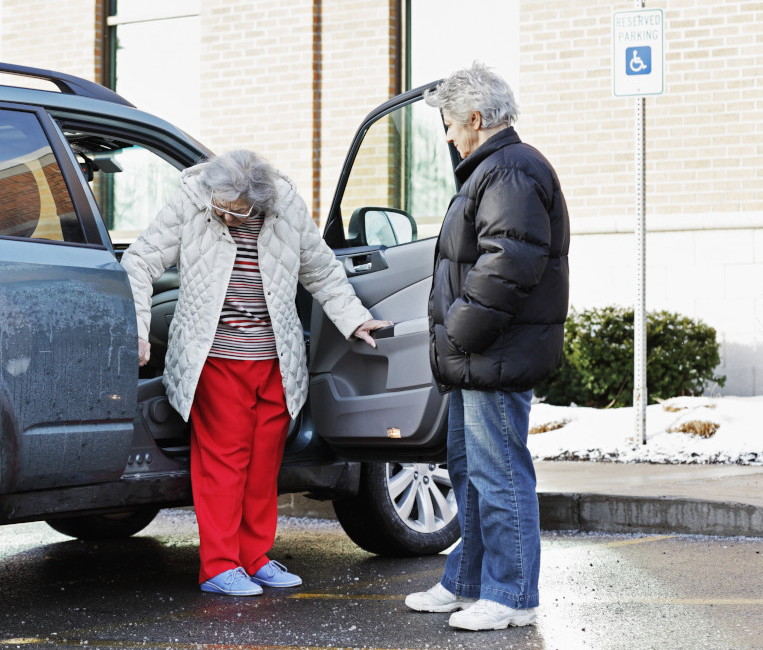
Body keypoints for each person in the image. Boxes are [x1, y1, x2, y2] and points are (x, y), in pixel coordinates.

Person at [122, 149, 390, 596]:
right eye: (220, 208)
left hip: (275, 358)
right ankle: (219, 566)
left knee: (264, 464)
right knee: (224, 463)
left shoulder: (285, 206)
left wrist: (355, 318)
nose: (226, 217)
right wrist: (137, 329)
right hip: (216, 356)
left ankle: (254, 557)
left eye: (236, 211)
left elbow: (321, 269)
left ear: (260, 202)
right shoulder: (193, 199)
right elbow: (140, 261)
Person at [404, 62, 569, 631]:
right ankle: (468, 581)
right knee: (471, 469)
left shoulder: (510, 171)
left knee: (498, 474)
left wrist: (459, 332)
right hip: (478, 357)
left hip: (492, 355)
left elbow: (509, 263)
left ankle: (513, 593)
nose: (447, 136)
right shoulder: (494, 169)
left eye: (450, 124)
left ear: (475, 118)